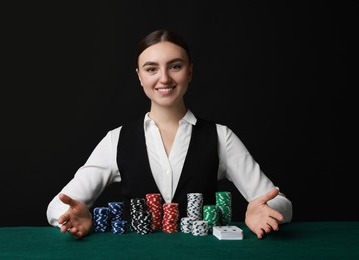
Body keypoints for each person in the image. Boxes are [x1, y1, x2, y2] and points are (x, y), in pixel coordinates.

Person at [46, 28, 293, 240]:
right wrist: (71, 217)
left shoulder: (220, 136)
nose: (164, 78)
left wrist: (261, 209)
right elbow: (58, 205)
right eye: (151, 69)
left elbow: (280, 202)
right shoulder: (116, 140)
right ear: (139, 77)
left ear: (190, 72)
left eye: (175, 66)